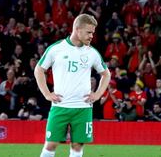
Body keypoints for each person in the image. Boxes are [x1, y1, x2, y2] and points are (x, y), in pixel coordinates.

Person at [35, 14, 111, 157]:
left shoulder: (92, 53)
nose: (91, 36)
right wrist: (46, 93)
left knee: (77, 147)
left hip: (83, 108)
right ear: (77, 29)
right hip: (60, 106)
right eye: (89, 32)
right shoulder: (56, 49)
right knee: (51, 144)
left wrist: (98, 94)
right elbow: (39, 69)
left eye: (93, 33)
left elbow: (106, 74)